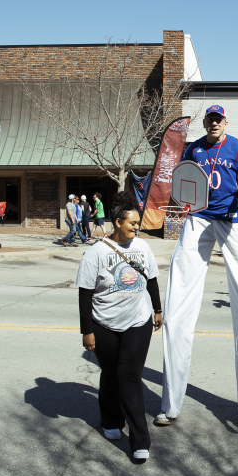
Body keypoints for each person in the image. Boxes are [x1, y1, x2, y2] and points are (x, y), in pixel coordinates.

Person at [157, 105, 238, 433]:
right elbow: (182, 184)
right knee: (176, 307)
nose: (214, 123)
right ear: (206, 122)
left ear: (225, 122)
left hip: (232, 221)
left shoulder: (237, 146)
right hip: (198, 219)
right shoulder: (193, 148)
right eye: (210, 119)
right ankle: (170, 403)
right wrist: (179, 204)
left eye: (219, 119)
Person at [77, 192, 162, 461]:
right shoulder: (96, 253)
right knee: (111, 373)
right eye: (131, 223)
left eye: (138, 223)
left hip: (138, 321)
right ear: (116, 222)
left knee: (129, 376)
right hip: (104, 324)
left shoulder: (143, 248)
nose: (136, 227)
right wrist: (87, 330)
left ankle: (140, 441)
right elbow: (85, 294)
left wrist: (158, 310)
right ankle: (111, 421)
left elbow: (152, 280)